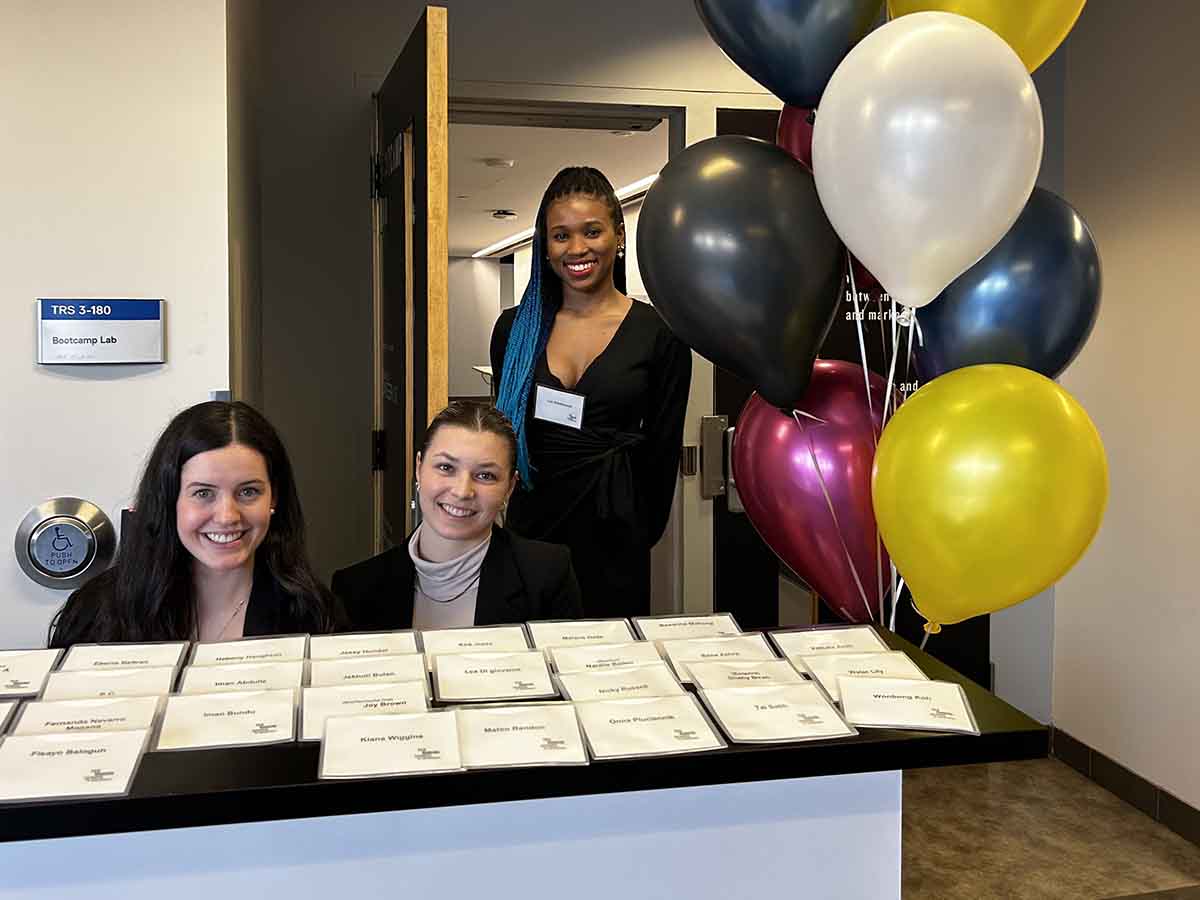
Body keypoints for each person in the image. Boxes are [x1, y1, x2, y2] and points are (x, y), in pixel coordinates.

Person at [490, 166, 691, 619]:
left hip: (615, 533)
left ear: (619, 236)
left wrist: (637, 531)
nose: (576, 249)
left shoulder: (659, 334)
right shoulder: (515, 330)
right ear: (545, 245)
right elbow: (501, 437)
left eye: (592, 232)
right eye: (560, 235)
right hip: (530, 531)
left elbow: (663, 451)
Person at [49, 401, 343, 646]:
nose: (228, 516)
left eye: (249, 491)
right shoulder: (95, 612)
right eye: (203, 493)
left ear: (273, 498)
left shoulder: (313, 614)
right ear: (169, 500)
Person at [332, 401, 582, 630]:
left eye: (485, 475)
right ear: (419, 469)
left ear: (510, 487)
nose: (463, 491)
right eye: (446, 467)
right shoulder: (355, 589)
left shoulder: (546, 576)